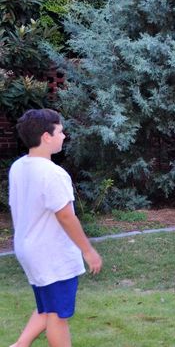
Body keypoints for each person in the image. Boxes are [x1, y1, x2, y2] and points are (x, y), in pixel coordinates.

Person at [9, 109, 103, 347]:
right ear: (46, 136)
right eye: (60, 132)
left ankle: (19, 345)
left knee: (48, 307)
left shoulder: (18, 167)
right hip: (51, 255)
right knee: (58, 317)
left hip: (29, 249)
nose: (64, 136)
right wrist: (88, 250)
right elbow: (66, 216)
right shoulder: (53, 173)